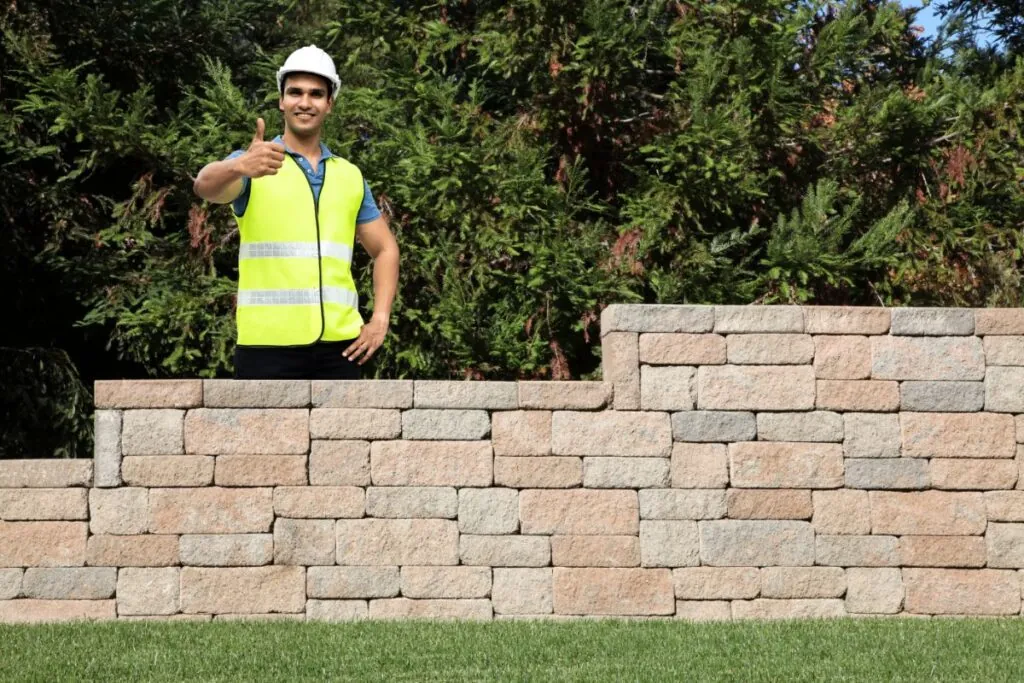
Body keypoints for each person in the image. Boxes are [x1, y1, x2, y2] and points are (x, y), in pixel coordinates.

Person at [193, 45, 399, 379]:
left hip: (341, 350)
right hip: (266, 350)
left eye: (316, 94)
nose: (305, 102)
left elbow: (385, 248)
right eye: (296, 92)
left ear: (329, 104)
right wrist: (238, 166)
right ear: (281, 100)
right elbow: (205, 186)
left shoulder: (349, 175)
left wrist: (379, 320)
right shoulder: (253, 163)